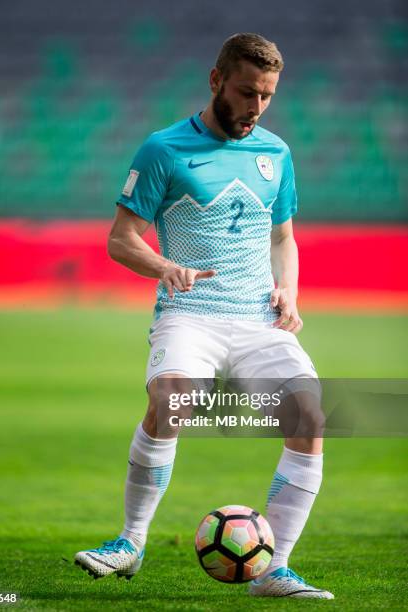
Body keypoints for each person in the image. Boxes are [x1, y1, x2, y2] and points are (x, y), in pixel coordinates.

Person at [75, 32, 333, 599]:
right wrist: (163, 265)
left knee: (310, 417)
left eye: (266, 96)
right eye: (246, 92)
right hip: (190, 314)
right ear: (216, 81)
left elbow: (284, 237)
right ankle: (129, 543)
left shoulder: (276, 153)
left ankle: (274, 570)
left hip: (257, 319)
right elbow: (121, 241)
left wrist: (288, 291)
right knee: (171, 397)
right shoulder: (163, 150)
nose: (256, 108)